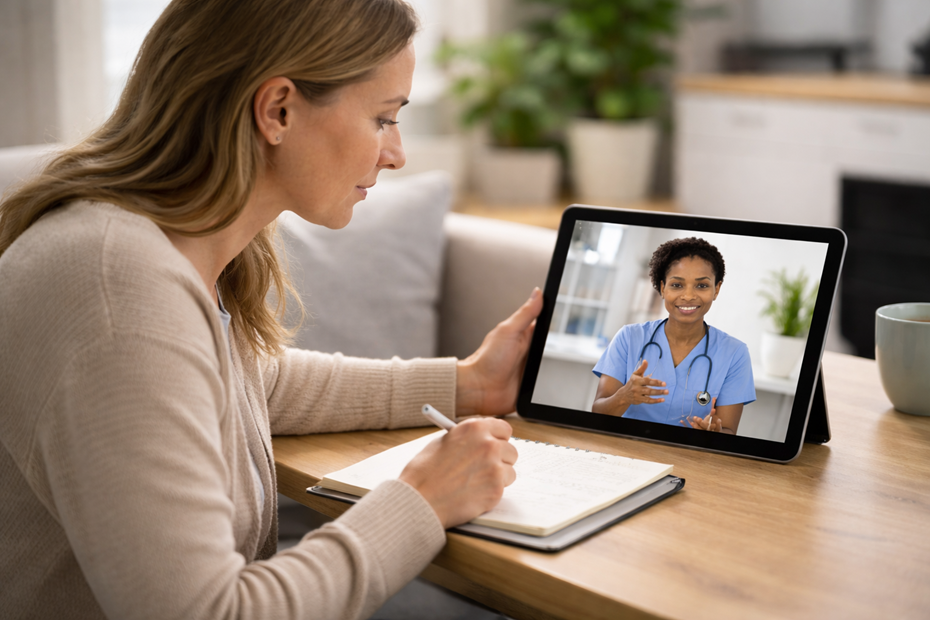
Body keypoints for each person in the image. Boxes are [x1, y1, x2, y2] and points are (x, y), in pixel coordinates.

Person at [0, 1, 543, 618]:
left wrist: (467, 384)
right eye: (383, 118)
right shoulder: (116, 296)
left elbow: (251, 382)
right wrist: (420, 499)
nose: (396, 154)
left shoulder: (156, 247)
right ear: (277, 109)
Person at [591, 237, 755, 434]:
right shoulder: (629, 337)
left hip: (690, 457)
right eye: (677, 285)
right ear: (662, 288)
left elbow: (728, 431)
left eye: (701, 286)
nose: (688, 296)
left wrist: (714, 435)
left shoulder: (734, 353)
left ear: (716, 289)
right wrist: (624, 396)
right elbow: (598, 412)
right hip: (625, 450)